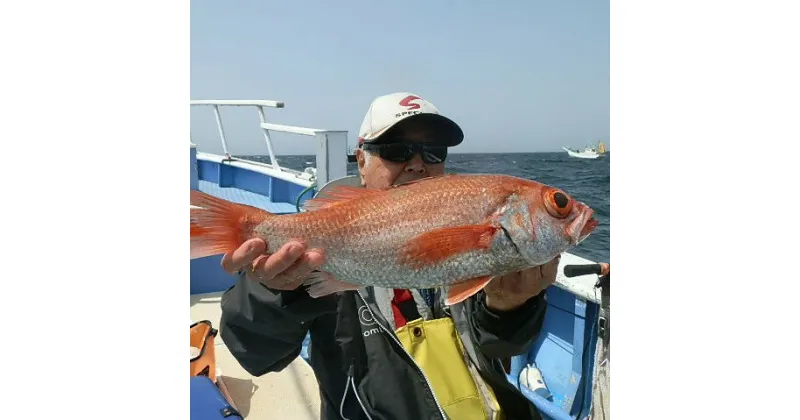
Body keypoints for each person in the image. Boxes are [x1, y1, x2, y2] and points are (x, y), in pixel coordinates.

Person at [217, 92, 561, 420]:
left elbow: (501, 346)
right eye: (396, 151)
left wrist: (508, 306)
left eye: (433, 152)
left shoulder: (469, 231)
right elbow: (253, 353)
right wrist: (273, 292)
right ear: (361, 160)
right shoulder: (317, 252)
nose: (416, 164)